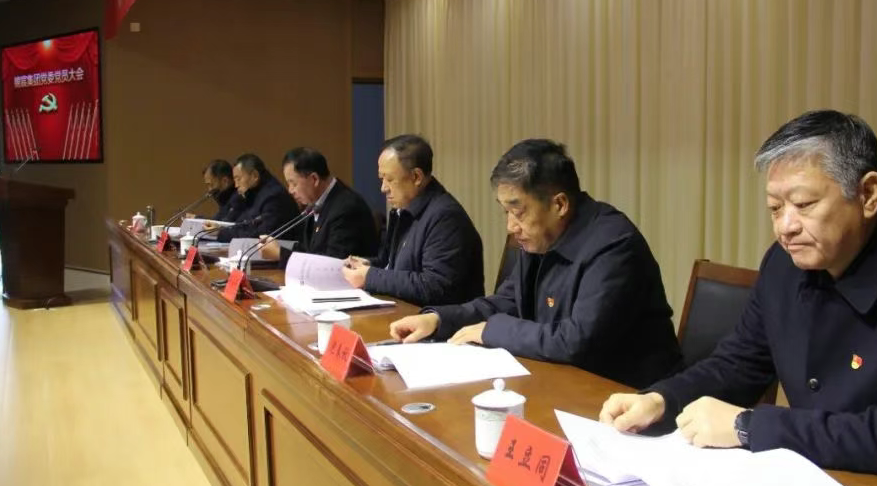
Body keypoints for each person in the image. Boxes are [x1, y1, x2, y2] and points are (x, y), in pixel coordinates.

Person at [599, 110, 877, 486]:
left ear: (868, 194)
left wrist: (746, 426)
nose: (785, 227)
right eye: (775, 208)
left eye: (803, 204)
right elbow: (738, 364)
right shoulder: (783, 265)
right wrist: (662, 400)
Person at [388, 139, 681, 388]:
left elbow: (576, 341)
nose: (510, 227)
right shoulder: (542, 236)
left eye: (518, 212)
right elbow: (508, 301)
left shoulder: (614, 246)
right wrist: (439, 320)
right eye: (505, 212)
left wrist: (492, 330)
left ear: (559, 204)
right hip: (562, 383)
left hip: (630, 397)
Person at [342, 135, 483, 305]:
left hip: (437, 317)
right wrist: (368, 265)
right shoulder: (402, 209)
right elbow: (391, 264)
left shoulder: (446, 217)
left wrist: (370, 276)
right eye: (381, 178)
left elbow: (435, 286)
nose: (383, 188)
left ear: (416, 177)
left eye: (390, 179)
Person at [259, 147, 378, 264]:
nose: (290, 190)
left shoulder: (346, 208)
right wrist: (279, 250)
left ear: (314, 179)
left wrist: (280, 254)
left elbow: (333, 263)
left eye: (293, 184)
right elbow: (310, 251)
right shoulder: (316, 203)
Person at [211, 153, 299, 242]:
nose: (236, 185)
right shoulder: (253, 194)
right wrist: (221, 230)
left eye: (238, 179)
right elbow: (242, 224)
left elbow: (261, 235)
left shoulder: (273, 197)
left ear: (255, 175)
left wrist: (221, 233)